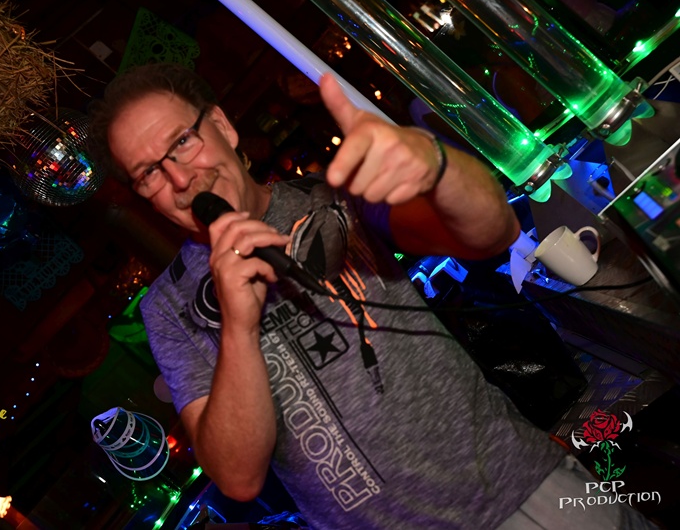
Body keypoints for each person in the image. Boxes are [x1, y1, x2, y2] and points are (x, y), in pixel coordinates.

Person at [89, 63, 656, 529]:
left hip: (527, 493)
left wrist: (434, 163)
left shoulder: (333, 196)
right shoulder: (169, 308)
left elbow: (493, 232)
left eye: (182, 142)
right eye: (149, 174)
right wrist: (238, 328)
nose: (179, 179)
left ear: (221, 125)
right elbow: (237, 478)